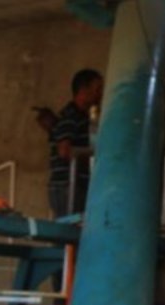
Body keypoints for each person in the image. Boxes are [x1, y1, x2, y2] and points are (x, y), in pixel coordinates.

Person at [46, 68, 103, 218]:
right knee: (68, 233)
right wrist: (94, 155)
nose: (101, 94)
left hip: (75, 186)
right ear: (83, 91)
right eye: (97, 89)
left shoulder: (83, 118)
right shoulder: (71, 116)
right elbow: (64, 151)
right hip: (67, 187)